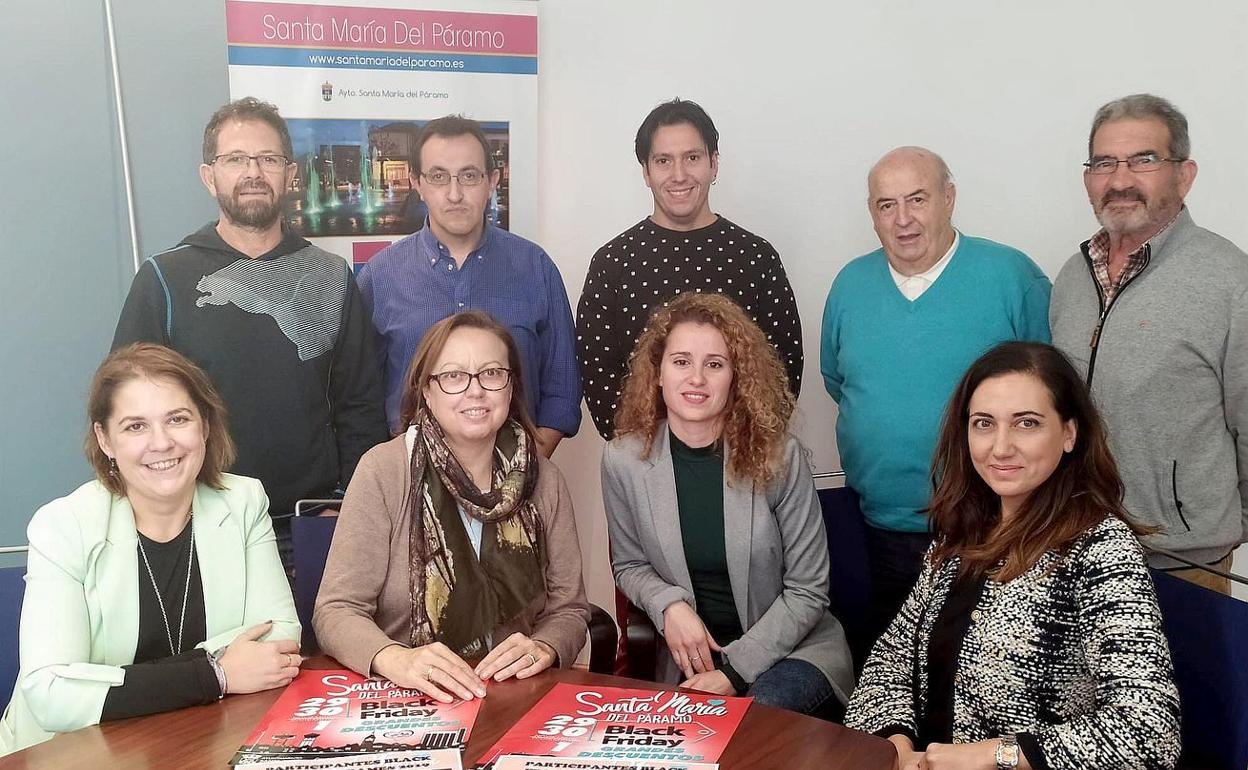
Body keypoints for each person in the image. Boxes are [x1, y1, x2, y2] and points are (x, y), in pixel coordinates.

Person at [844, 342, 1179, 770]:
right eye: (984, 423)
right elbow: (890, 660)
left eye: (1027, 423)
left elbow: (1150, 733)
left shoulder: (1101, 548)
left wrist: (995, 755)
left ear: (1070, 433)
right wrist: (895, 745)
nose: (1000, 447)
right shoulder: (963, 530)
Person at [112, 97, 387, 558]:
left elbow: (360, 405)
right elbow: (124, 412)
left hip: (311, 525)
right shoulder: (164, 280)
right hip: (198, 526)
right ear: (209, 176)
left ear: (291, 174)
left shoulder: (332, 276)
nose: (253, 172)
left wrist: (345, 505)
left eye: (268, 159)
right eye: (235, 159)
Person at [0, 343, 301, 756]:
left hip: (196, 738)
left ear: (205, 426)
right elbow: (52, 694)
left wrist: (119, 683)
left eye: (177, 419)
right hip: (69, 753)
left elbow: (280, 640)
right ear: (105, 439)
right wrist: (216, 674)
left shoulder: (243, 502)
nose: (161, 443)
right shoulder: (64, 526)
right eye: (135, 426)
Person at [820, 146, 1051, 644]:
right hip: (882, 525)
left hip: (993, 526)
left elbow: (1053, 395)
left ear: (949, 198)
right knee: (891, 672)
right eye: (886, 205)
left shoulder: (1012, 277)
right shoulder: (849, 285)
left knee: (982, 674)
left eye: (917, 199)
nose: (903, 219)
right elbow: (837, 382)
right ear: (872, 213)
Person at [313, 311, 591, 702]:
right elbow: (335, 611)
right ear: (426, 390)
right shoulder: (383, 470)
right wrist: (395, 659)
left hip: (509, 693)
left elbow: (570, 610)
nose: (475, 391)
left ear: (511, 388)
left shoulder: (544, 480)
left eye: (492, 374)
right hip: (404, 695)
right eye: (453, 376)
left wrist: (545, 646)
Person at [601, 293, 854, 717]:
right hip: (689, 662)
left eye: (714, 364)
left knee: (756, 718)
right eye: (681, 361)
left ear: (736, 378)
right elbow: (629, 565)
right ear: (658, 373)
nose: (696, 378)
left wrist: (734, 672)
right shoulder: (623, 460)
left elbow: (809, 591)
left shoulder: (780, 457)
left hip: (790, 653)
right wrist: (670, 605)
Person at [1050, 93, 1248, 594]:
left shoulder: (1231, 282)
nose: (1120, 180)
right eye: (1104, 163)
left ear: (1185, 174)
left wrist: (1216, 527)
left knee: (1188, 676)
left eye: (1144, 160)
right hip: (1075, 546)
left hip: (1179, 561)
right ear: (1087, 178)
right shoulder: (1072, 278)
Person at [577, 98, 803, 440]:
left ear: (714, 164)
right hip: (644, 469)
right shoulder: (613, 263)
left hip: (741, 464)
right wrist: (646, 461)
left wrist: (738, 450)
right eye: (664, 160)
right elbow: (599, 380)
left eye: (692, 158)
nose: (679, 175)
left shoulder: (756, 258)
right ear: (646, 172)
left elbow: (782, 373)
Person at [359, 115, 580, 456]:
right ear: (416, 182)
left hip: (517, 484)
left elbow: (563, 389)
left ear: (493, 180)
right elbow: (360, 397)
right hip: (411, 485)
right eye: (438, 176)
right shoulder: (381, 276)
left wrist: (524, 469)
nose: (455, 193)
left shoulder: (535, 267)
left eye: (469, 175)